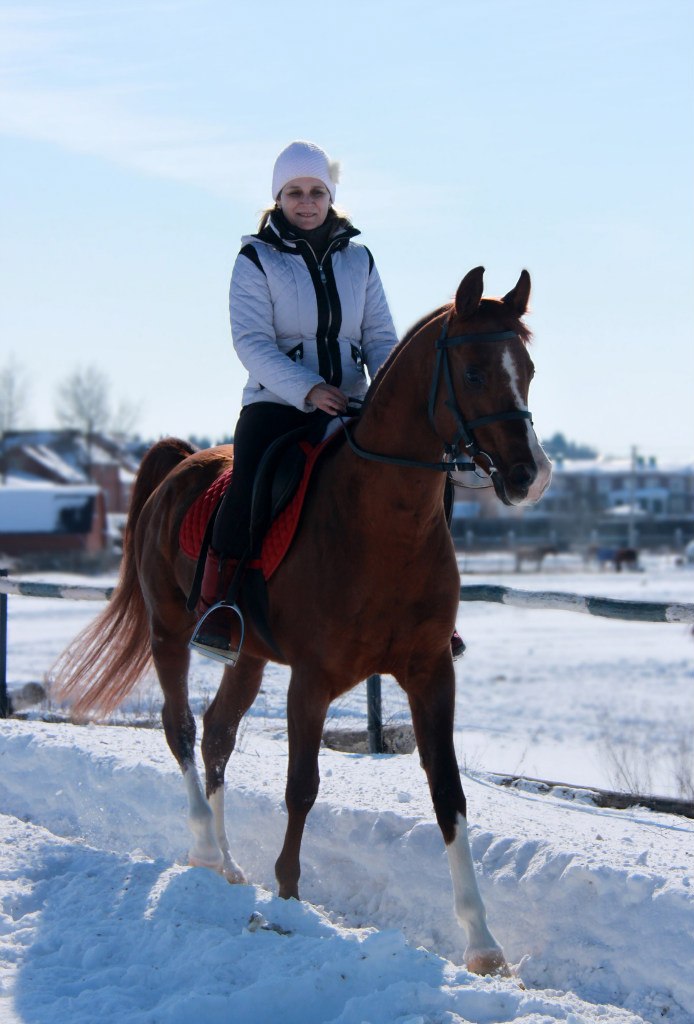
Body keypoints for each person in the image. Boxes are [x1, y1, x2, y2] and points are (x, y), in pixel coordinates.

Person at [192, 140, 464, 663]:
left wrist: (388, 396)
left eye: (316, 191)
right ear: (278, 198)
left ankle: (432, 608)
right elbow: (251, 342)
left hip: (353, 405)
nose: (306, 201)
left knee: (430, 478)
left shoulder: (359, 259)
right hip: (277, 404)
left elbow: (381, 338)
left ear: (331, 196)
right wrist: (308, 389)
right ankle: (218, 605)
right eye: (294, 192)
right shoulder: (255, 259)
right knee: (250, 481)